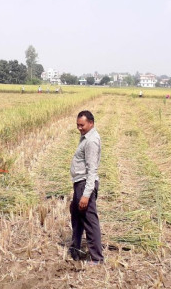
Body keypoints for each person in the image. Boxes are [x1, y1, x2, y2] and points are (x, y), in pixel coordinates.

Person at [69, 110, 103, 264]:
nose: (79, 128)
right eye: (77, 125)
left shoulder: (91, 141)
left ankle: (96, 258)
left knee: (90, 221)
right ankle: (75, 248)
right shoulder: (85, 137)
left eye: (82, 125)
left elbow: (92, 170)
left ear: (91, 123)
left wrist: (86, 194)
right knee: (76, 216)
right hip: (80, 183)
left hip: (85, 185)